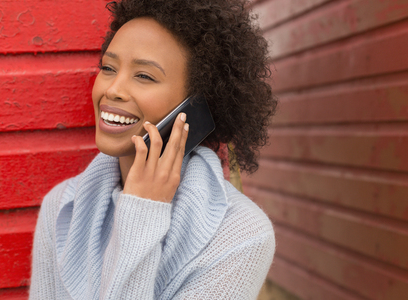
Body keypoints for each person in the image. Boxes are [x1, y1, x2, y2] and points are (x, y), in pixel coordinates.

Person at [29, 0, 277, 299]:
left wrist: (142, 211)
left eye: (144, 75)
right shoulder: (61, 207)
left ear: (197, 106)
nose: (113, 89)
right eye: (108, 68)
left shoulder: (241, 234)